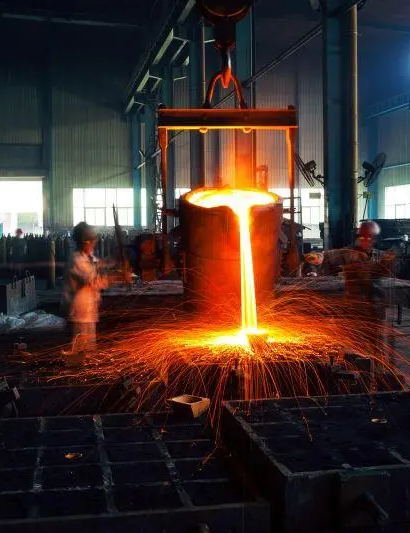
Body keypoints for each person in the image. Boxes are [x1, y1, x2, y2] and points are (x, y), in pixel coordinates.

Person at [62, 222, 109, 365]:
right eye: (92, 242)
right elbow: (93, 281)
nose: (94, 245)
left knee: (89, 349)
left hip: (89, 309)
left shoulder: (88, 256)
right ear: (85, 242)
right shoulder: (77, 260)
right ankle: (76, 371)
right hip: (80, 309)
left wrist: (112, 264)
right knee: (81, 349)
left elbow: (99, 265)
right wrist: (113, 277)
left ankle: (85, 367)